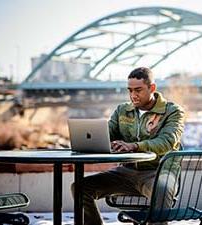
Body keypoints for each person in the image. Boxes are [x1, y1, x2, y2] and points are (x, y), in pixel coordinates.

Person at [71, 67, 185, 225]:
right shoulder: (123, 110)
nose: (133, 95)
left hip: (157, 173)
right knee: (80, 188)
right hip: (126, 173)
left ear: (152, 88)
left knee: (161, 191)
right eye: (130, 90)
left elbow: (167, 141)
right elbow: (107, 134)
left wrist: (134, 146)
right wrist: (101, 140)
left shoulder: (172, 111)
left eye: (138, 90)